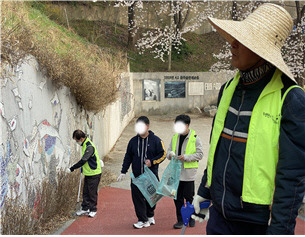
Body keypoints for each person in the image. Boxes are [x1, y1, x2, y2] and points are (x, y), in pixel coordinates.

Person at [192, 3, 305, 235]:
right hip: (219, 218)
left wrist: (280, 230)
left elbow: (292, 176)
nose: (232, 44)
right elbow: (217, 149)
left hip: (257, 224)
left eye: (243, 41)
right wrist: (204, 191)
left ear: (262, 51)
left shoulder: (291, 99)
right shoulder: (228, 89)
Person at [117, 116, 166, 229]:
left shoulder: (156, 140)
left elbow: (162, 154)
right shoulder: (133, 141)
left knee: (152, 197)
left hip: (150, 176)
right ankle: (142, 219)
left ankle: (150, 215)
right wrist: (123, 171)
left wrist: (152, 162)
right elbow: (128, 156)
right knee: (137, 198)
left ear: (147, 126)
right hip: (137, 176)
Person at [167, 114, 203, 229]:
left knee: (189, 197)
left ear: (187, 125)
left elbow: (200, 154)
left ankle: (192, 218)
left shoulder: (195, 138)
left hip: (188, 174)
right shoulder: (174, 137)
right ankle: (180, 220)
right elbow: (168, 152)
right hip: (176, 173)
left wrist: (186, 157)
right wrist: (170, 155)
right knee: (177, 198)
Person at [68, 129, 102, 218]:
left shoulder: (89, 146)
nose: (76, 142)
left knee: (92, 193)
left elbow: (83, 160)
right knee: (86, 192)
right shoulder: (84, 145)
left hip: (94, 173)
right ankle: (85, 208)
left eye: (77, 140)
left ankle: (93, 210)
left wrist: (72, 168)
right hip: (88, 173)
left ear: (82, 138)